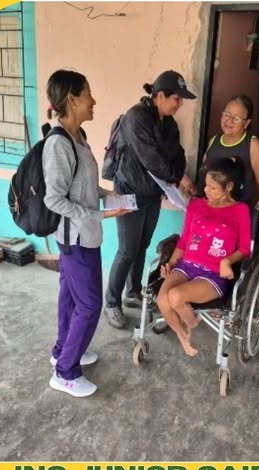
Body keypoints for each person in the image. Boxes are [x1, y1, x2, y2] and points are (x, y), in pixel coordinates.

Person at [42, 69, 129, 398]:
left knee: (70, 296)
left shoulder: (78, 136)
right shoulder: (59, 143)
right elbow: (54, 199)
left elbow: (84, 186)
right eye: (88, 94)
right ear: (72, 99)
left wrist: (109, 196)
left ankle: (63, 351)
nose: (94, 101)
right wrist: (102, 214)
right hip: (75, 238)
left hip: (86, 233)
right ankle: (65, 372)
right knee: (90, 304)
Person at [104, 70, 197, 329]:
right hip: (128, 192)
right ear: (160, 96)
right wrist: (176, 178)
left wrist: (179, 175)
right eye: (177, 98)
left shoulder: (169, 124)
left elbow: (177, 155)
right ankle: (111, 302)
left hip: (152, 193)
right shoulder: (136, 118)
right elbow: (152, 159)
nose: (180, 104)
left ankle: (133, 291)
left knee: (142, 246)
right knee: (127, 249)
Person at [157, 158, 252, 357]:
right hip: (185, 266)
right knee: (162, 300)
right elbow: (184, 241)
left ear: (229, 187)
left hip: (212, 274)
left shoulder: (240, 210)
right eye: (206, 185)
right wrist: (170, 263)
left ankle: (192, 322)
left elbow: (245, 249)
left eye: (213, 188)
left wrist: (227, 261)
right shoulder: (196, 205)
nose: (206, 191)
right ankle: (182, 334)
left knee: (175, 296)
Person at [199, 94, 259, 217]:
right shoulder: (214, 140)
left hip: (235, 213)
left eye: (236, 118)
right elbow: (204, 170)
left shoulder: (252, 144)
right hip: (207, 208)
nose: (229, 121)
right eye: (226, 114)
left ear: (246, 123)